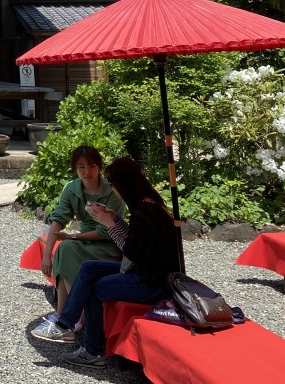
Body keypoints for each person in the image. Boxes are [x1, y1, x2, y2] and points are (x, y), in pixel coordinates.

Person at [31, 156, 180, 369]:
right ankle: (66, 323)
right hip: (145, 271)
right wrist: (115, 218)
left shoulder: (145, 211)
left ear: (124, 184)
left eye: (113, 184)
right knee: (89, 268)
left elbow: (130, 251)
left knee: (95, 288)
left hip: (153, 282)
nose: (112, 188)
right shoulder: (148, 204)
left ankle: (92, 351)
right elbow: (135, 240)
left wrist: (109, 224)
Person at [36, 146, 124, 330]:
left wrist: (74, 237)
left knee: (67, 247)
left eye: (91, 166)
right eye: (81, 167)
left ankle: (72, 314)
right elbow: (58, 218)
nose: (86, 171)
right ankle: (63, 314)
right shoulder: (72, 188)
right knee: (63, 249)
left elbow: (105, 231)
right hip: (85, 240)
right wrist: (45, 256)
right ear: (75, 168)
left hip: (109, 243)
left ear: (99, 167)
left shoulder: (111, 191)